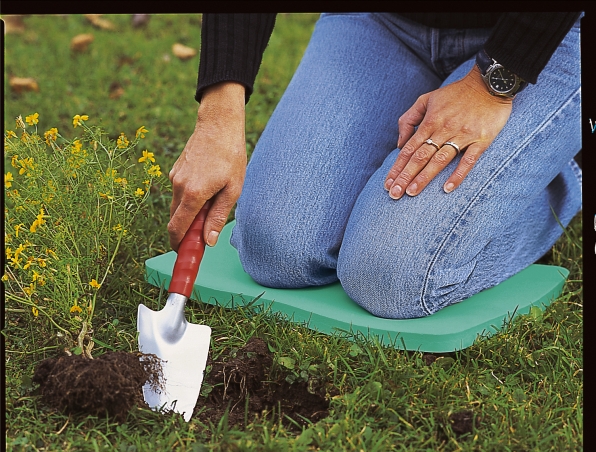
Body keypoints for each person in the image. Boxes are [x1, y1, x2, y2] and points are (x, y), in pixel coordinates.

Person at [168, 12, 582, 319]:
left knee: (390, 276)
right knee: (275, 250)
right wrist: (218, 115)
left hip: (550, 33)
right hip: (381, 21)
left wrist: (493, 82)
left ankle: (567, 169)